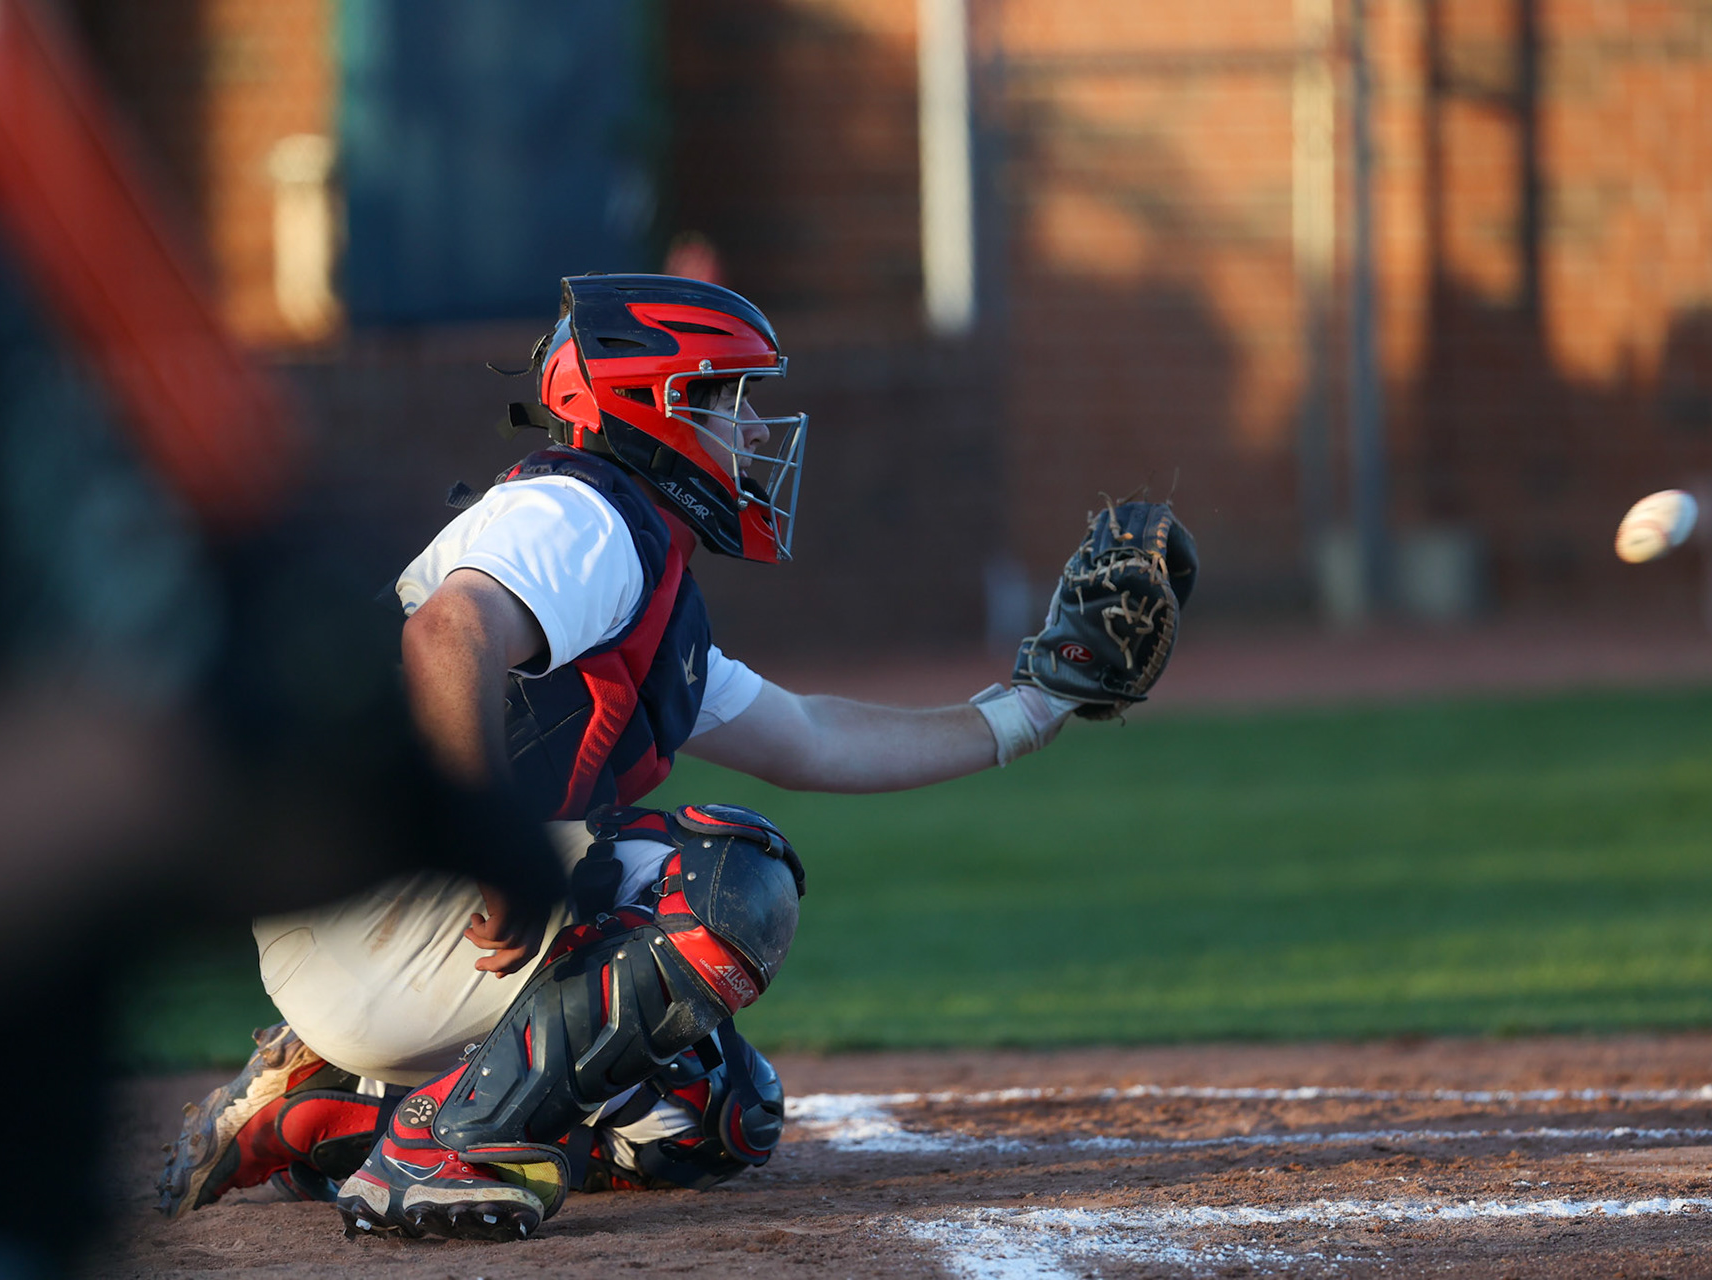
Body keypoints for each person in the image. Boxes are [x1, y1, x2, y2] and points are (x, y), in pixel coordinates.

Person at [158, 273, 1186, 1243]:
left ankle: (330, 1105)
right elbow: (447, 633)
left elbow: (811, 737)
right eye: (723, 397)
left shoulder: (635, 557)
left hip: (394, 928)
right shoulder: (581, 511)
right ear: (651, 403)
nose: (748, 427)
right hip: (385, 900)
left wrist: (1037, 704)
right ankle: (440, 1152)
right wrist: (484, 839)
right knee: (731, 885)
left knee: (713, 1111)